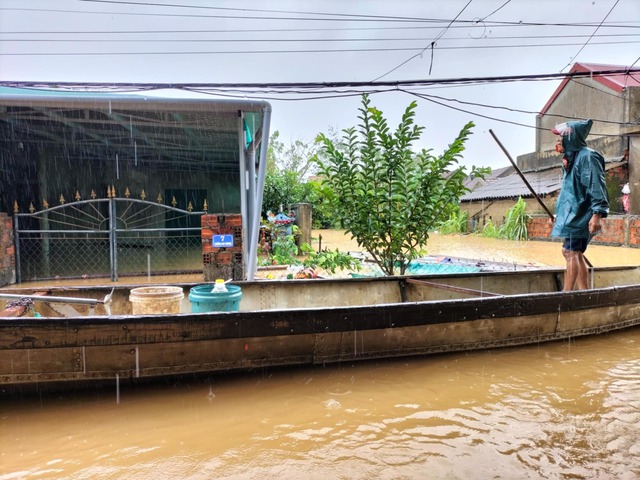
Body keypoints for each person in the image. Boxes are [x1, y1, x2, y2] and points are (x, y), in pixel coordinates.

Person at [551, 119, 609, 291]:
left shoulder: (588, 157)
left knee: (571, 252)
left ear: (571, 138)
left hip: (583, 213)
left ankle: (566, 294)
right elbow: (568, 192)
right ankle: (585, 291)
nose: (558, 141)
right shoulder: (571, 158)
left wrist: (597, 214)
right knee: (571, 252)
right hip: (573, 214)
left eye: (560, 137)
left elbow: (596, 186)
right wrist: (559, 214)